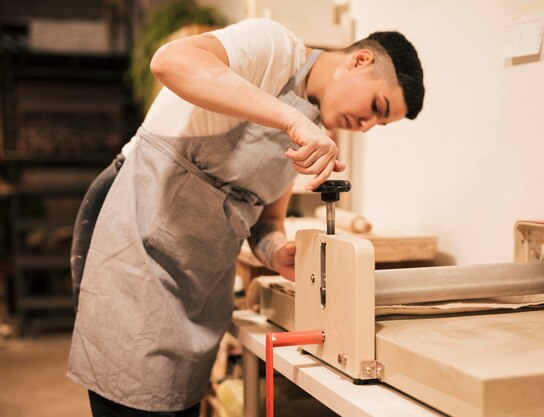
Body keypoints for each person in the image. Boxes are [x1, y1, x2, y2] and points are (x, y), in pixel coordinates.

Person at [67, 17, 424, 416]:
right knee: (128, 399)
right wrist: (292, 120)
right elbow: (169, 61)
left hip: (200, 290)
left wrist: (276, 253)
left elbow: (265, 218)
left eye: (380, 124)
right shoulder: (273, 47)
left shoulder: (314, 127)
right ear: (359, 61)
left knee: (180, 405)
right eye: (376, 107)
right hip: (138, 257)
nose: (367, 125)